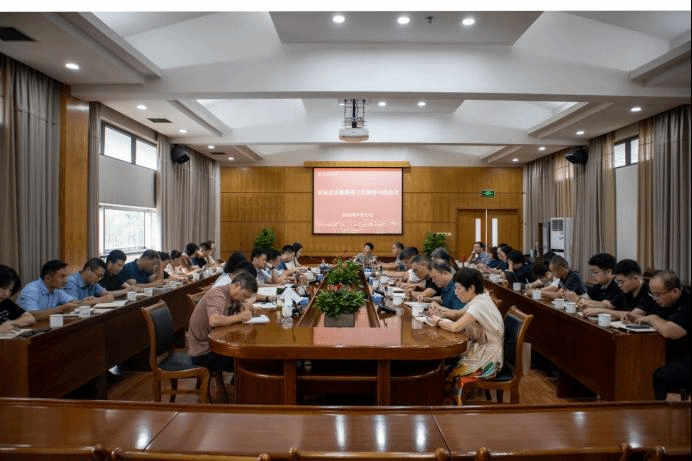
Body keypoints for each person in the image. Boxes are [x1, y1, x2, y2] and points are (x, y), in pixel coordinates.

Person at [428, 267, 504, 404]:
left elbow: (456, 327)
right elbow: (458, 314)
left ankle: (455, 409)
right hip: (481, 350)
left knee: (452, 375)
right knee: (445, 369)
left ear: (471, 288)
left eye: (458, 288)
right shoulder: (480, 297)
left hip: (489, 361)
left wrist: (438, 321)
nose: (455, 292)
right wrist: (440, 311)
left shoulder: (479, 305)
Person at [623, 271, 690, 400]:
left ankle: (659, 410)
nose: (654, 298)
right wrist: (636, 319)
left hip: (686, 355)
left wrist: (651, 318)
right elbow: (657, 322)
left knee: (660, 375)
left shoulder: (687, 303)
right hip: (666, 350)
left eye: (658, 295)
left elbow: (671, 331)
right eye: (652, 294)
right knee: (639, 364)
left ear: (675, 291)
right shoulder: (661, 300)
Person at [187, 272, 258, 372]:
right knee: (246, 361)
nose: (244, 300)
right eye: (244, 296)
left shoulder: (233, 295)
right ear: (237, 286)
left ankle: (239, 380)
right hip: (203, 352)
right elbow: (214, 320)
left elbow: (241, 308)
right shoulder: (218, 295)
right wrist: (240, 317)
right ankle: (240, 380)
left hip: (215, 344)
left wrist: (247, 307)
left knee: (249, 354)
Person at [1, 265, 36, 332]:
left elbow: (31, 318)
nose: (7, 294)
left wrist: (12, 323)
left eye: (10, 290)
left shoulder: (6, 302)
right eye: (4, 288)